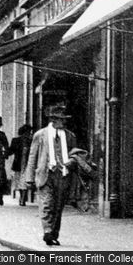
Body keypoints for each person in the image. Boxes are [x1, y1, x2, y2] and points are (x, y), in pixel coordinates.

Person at [26, 104, 77, 246]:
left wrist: (72, 161)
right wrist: (29, 177)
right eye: (61, 119)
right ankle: (47, 231)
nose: (64, 122)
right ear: (53, 120)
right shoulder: (40, 135)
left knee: (58, 206)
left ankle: (54, 233)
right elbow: (32, 156)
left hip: (63, 175)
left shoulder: (70, 136)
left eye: (64, 119)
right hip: (45, 173)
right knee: (47, 203)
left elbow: (75, 154)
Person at [8, 124, 33, 206]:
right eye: (27, 132)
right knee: (19, 181)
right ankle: (22, 198)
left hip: (28, 164)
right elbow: (11, 151)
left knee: (25, 181)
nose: (29, 134)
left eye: (29, 132)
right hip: (19, 164)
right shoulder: (16, 140)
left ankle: (23, 199)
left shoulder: (31, 141)